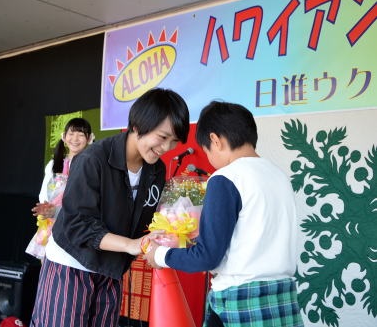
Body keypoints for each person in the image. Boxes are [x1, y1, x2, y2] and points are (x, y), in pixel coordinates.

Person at [30, 88, 190, 327]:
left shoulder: (155, 171)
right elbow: (78, 225)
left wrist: (173, 234)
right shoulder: (92, 160)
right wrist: (131, 245)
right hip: (71, 264)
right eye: (162, 137)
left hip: (111, 269)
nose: (167, 148)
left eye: (174, 141)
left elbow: (145, 222)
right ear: (137, 126)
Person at [144, 101, 304, 327]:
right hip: (283, 298)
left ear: (215, 141)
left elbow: (208, 257)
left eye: (206, 149)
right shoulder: (279, 176)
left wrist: (159, 254)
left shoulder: (226, 178)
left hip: (239, 303)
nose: (208, 157)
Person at [25, 117, 94, 261]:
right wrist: (46, 209)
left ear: (89, 139)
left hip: (75, 223)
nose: (75, 138)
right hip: (51, 221)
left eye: (81, 134)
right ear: (64, 137)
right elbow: (44, 194)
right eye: (71, 133)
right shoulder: (53, 165)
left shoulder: (91, 165)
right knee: (48, 266)